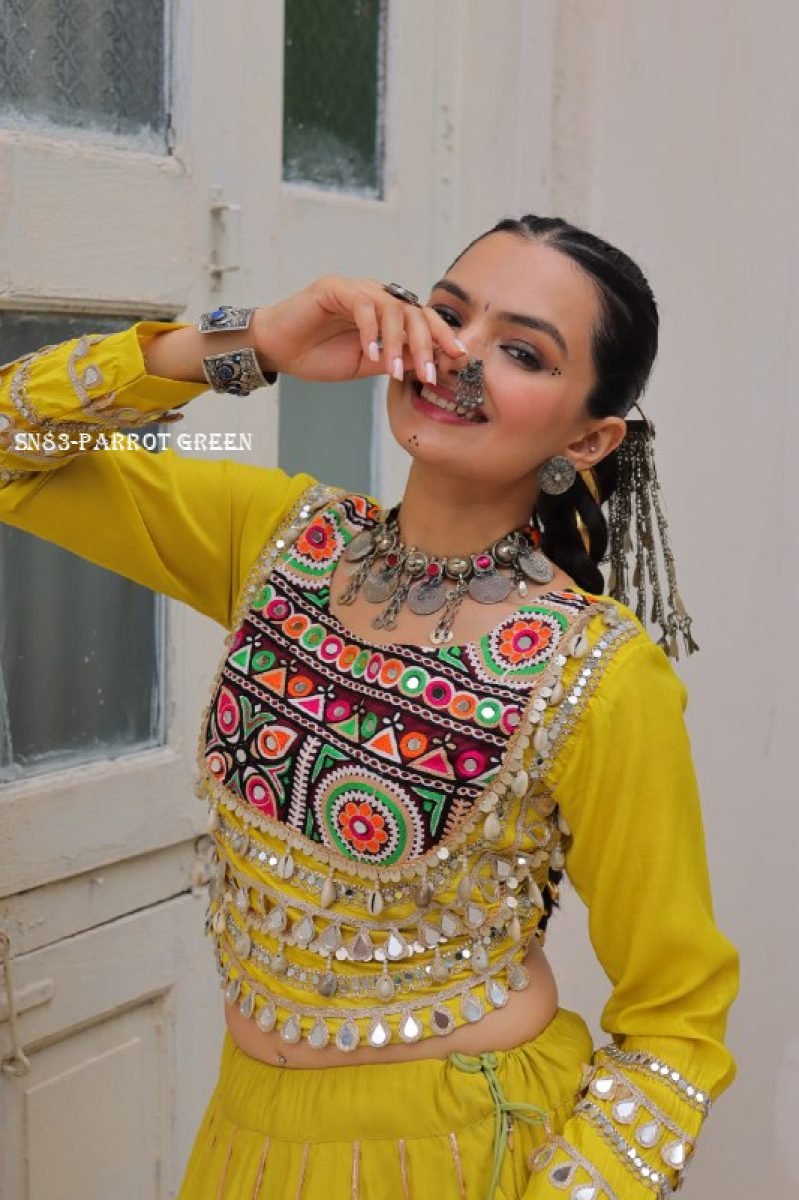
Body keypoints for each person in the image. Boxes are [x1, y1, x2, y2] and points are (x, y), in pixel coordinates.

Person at [0, 215, 739, 1199]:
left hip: (462, 1151)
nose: (460, 357)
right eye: (448, 315)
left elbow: (676, 1023)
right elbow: (13, 447)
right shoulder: (282, 543)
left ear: (587, 438)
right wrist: (255, 343)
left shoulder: (594, 672)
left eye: (521, 352)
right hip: (244, 1143)